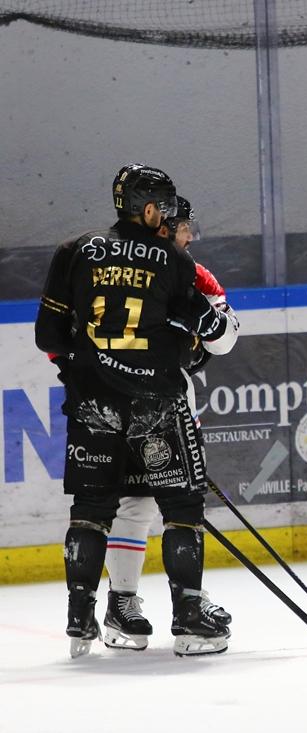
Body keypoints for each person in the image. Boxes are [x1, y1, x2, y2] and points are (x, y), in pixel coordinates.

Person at [35, 164, 235, 658]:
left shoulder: (75, 250)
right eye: (164, 209)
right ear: (148, 210)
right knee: (181, 508)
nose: (169, 219)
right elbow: (215, 333)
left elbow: (48, 336)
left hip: (93, 406)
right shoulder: (173, 260)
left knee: (91, 511)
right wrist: (187, 341)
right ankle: (188, 615)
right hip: (155, 406)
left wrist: (84, 372)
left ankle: (80, 616)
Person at [101, 196, 238, 651]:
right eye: (184, 228)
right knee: (162, 506)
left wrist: (201, 326)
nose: (190, 236)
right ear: (163, 226)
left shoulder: (171, 271)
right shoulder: (165, 272)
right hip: (144, 406)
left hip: (139, 404)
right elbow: (222, 337)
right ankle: (175, 609)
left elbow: (224, 338)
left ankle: (139, 606)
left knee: (150, 506)